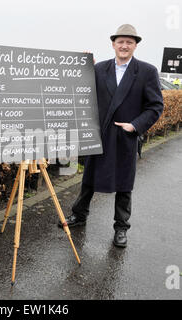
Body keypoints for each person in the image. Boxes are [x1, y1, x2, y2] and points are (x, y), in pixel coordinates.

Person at [59, 24, 163, 248]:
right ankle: (79, 216)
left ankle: (121, 228)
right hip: (100, 134)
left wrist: (134, 126)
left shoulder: (147, 71)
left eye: (129, 42)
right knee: (88, 180)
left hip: (125, 137)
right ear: (113, 44)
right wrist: (82, 67)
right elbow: (82, 94)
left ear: (135, 45)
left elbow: (155, 106)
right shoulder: (100, 69)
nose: (124, 46)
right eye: (120, 42)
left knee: (124, 185)